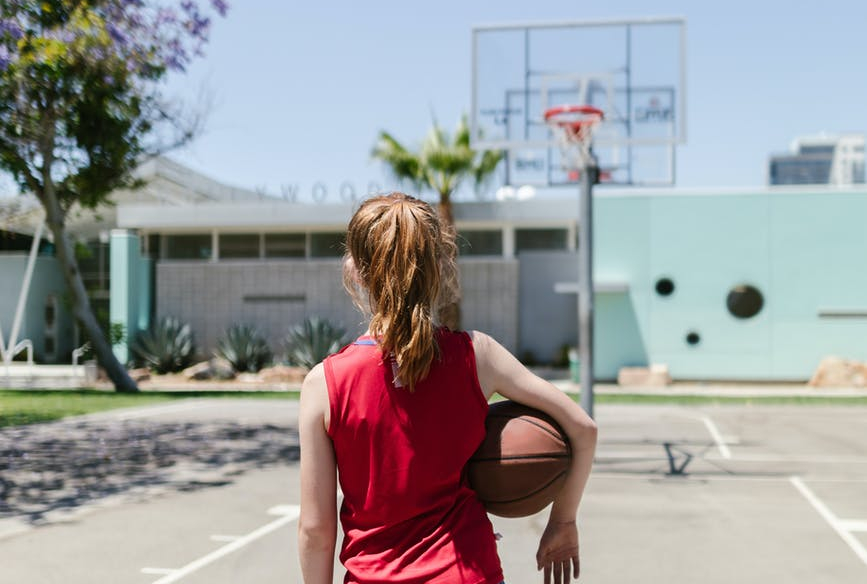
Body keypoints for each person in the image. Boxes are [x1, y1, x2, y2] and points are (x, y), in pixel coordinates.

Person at [298, 192, 597, 584]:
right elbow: (583, 428)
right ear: (439, 267)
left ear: (355, 270)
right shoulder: (478, 356)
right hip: (467, 572)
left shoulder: (325, 383)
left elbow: (315, 530)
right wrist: (563, 521)